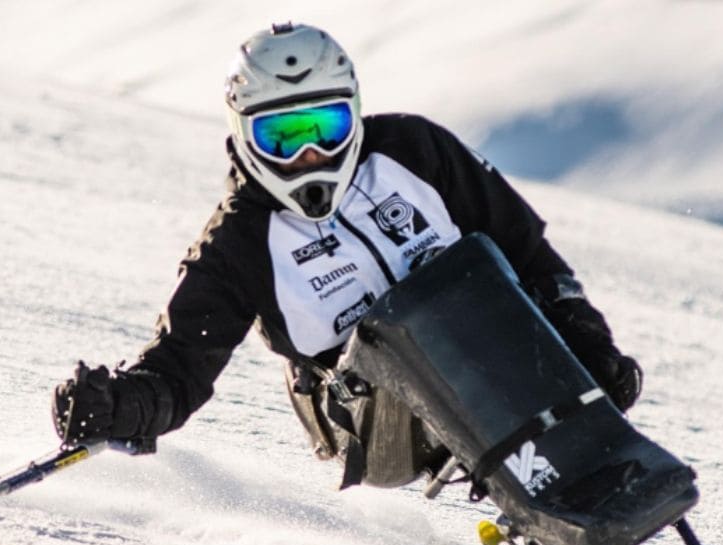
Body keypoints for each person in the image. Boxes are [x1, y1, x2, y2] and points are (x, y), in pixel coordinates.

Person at [52, 22, 642, 478]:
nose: (308, 156)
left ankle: (614, 486)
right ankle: (546, 519)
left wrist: (587, 341)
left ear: (353, 111)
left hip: (489, 360)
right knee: (419, 332)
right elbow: (178, 369)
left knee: (492, 288)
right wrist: (119, 406)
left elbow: (527, 252)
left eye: (326, 128)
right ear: (244, 133)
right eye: (282, 136)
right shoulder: (240, 243)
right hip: (367, 420)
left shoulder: (415, 151)